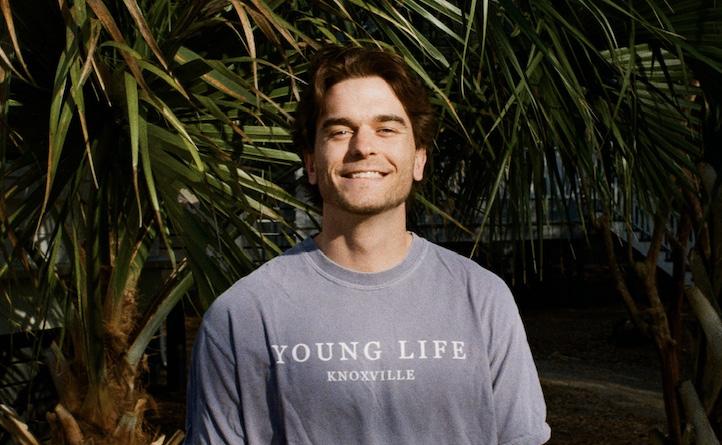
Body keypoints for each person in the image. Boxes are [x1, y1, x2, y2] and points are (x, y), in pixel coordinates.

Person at [185, 45, 551, 445]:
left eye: (386, 129)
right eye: (340, 131)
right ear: (311, 162)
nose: (363, 147)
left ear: (419, 159)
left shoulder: (482, 299)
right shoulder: (242, 315)